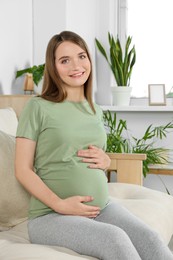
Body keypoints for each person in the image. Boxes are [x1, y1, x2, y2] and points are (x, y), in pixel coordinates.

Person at [15, 31, 173, 260]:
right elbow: (22, 169)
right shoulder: (38, 107)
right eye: (64, 60)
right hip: (50, 216)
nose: (76, 66)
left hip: (102, 208)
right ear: (53, 67)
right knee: (114, 239)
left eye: (81, 56)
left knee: (150, 239)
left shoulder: (94, 109)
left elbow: (79, 150)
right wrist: (60, 205)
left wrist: (107, 161)